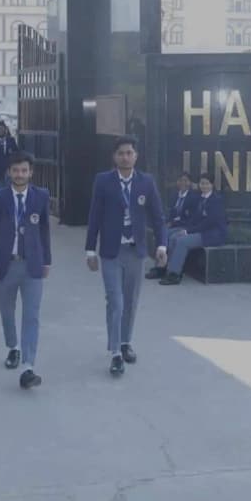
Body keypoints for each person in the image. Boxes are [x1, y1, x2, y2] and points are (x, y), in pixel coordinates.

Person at [84, 136, 167, 378]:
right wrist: (90, 249)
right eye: (121, 153)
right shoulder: (103, 181)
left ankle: (125, 342)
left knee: (130, 300)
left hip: (136, 251)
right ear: (114, 157)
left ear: (136, 156)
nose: (125, 157)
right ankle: (115, 353)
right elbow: (94, 216)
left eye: (129, 153)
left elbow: (158, 216)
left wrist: (162, 245)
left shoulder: (146, 182)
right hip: (111, 251)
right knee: (115, 300)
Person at [0, 152, 51, 390]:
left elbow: (44, 230)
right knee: (7, 311)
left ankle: (28, 366)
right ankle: (13, 347)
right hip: (6, 264)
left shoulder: (40, 196)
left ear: (31, 172)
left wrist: (47, 260)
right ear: (9, 172)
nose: (20, 175)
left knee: (31, 315)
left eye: (24, 170)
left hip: (32, 265)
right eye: (15, 170)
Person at [162, 173, 229, 285]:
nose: (204, 186)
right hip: (201, 231)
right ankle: (168, 269)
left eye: (207, 183)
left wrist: (187, 231)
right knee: (174, 236)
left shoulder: (216, 200)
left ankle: (175, 275)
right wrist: (182, 227)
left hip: (213, 235)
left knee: (181, 241)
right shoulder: (200, 198)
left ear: (212, 185)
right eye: (202, 183)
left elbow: (209, 223)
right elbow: (194, 219)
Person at [0, 121, 20, 191]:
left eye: (2, 128)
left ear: (5, 129)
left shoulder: (11, 140)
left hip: (9, 173)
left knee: (10, 193)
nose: (0, 130)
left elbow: (16, 155)